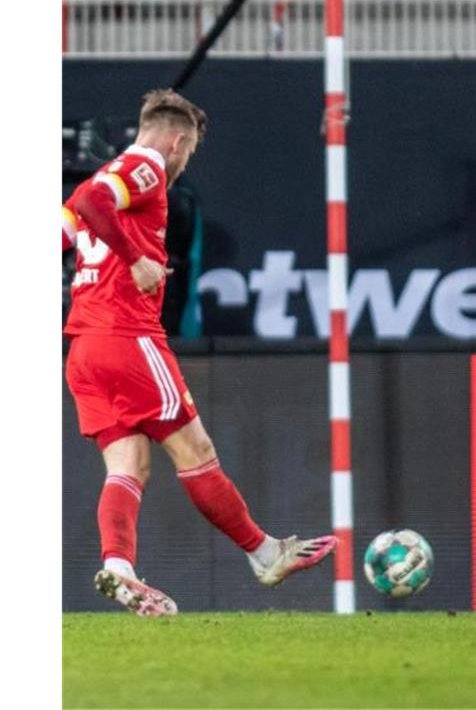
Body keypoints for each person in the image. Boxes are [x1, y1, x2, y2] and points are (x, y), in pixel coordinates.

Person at [63, 89, 338, 616]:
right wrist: (136, 262)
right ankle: (263, 553)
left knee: (129, 465)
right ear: (179, 140)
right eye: (187, 154)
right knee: (197, 452)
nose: (183, 164)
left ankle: (118, 567)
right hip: (128, 337)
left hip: (84, 347)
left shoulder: (103, 180)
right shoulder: (145, 164)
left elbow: (72, 220)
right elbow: (98, 205)